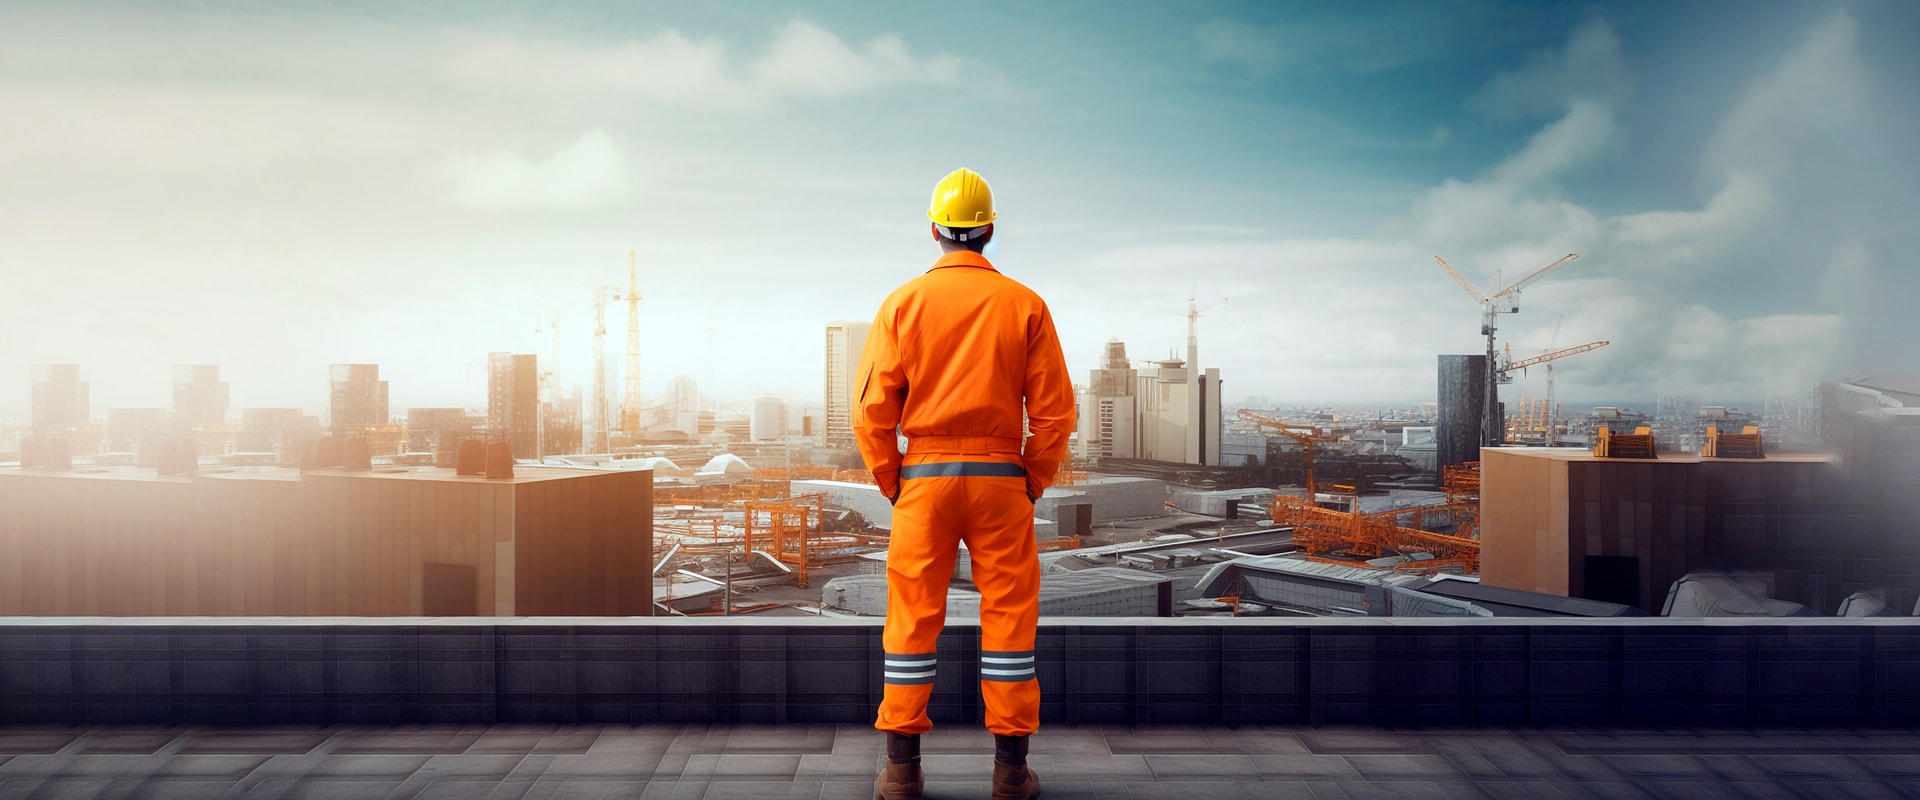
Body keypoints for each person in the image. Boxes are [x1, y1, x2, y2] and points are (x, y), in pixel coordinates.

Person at [854, 167, 1074, 800]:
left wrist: (893, 481)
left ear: (934, 230)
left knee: (911, 620)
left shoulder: (902, 303)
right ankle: (1010, 772)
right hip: (1002, 481)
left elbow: (871, 412)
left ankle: (902, 772)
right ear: (989, 230)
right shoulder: (1026, 304)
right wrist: (1031, 479)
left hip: (923, 481)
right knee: (1009, 619)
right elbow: (1055, 411)